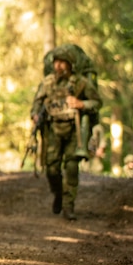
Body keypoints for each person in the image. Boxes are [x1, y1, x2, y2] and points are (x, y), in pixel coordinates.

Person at [30, 45, 101, 220]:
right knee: (52, 168)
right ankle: (58, 194)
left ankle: (68, 206)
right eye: (56, 62)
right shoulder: (47, 83)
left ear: (70, 65)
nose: (59, 66)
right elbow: (36, 103)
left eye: (63, 63)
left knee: (71, 167)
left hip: (74, 131)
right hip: (53, 129)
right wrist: (34, 115)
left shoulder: (81, 83)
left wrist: (81, 104)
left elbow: (97, 102)